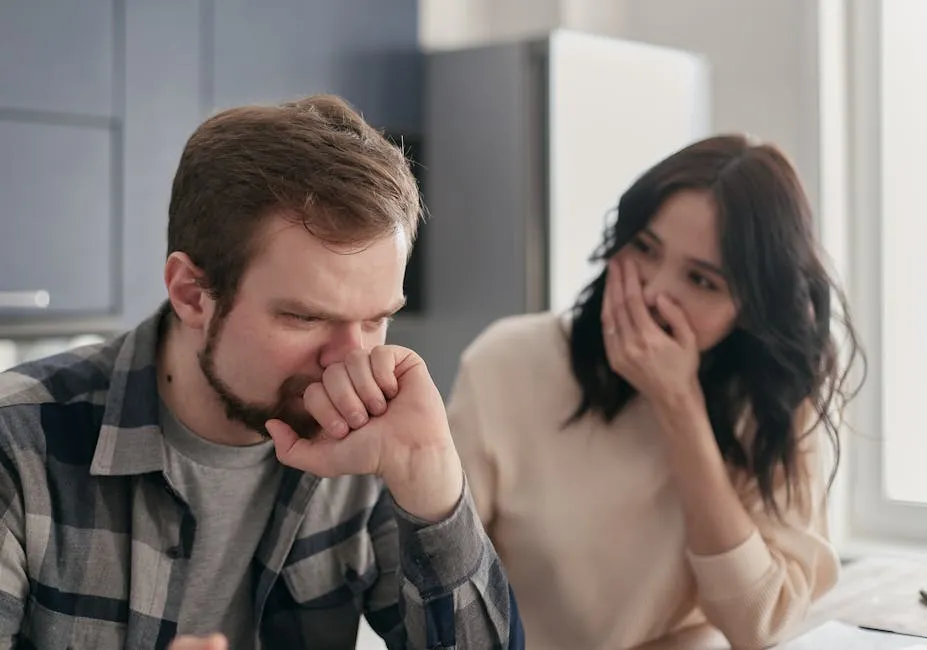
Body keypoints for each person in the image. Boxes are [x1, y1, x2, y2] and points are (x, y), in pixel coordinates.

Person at [0, 95, 523, 649]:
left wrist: (428, 472)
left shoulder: (373, 437)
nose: (351, 358)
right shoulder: (19, 446)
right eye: (304, 317)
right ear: (191, 294)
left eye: (376, 319)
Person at [447, 135, 863, 650]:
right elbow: (438, 595)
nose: (652, 293)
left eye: (701, 280)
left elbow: (759, 625)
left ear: (749, 308)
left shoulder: (773, 404)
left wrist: (679, 407)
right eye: (644, 248)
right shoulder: (506, 364)